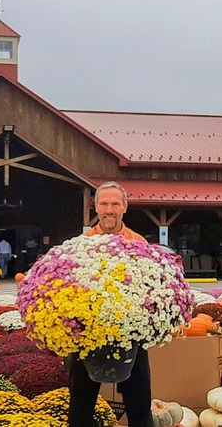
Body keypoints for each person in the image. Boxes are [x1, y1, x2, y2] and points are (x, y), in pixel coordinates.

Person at [69, 181, 154, 427]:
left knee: (139, 406)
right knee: (80, 407)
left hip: (131, 336)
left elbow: (152, 289)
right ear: (95, 206)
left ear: (124, 207)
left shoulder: (138, 243)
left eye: (115, 204)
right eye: (103, 203)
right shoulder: (81, 244)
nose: (109, 209)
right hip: (87, 336)